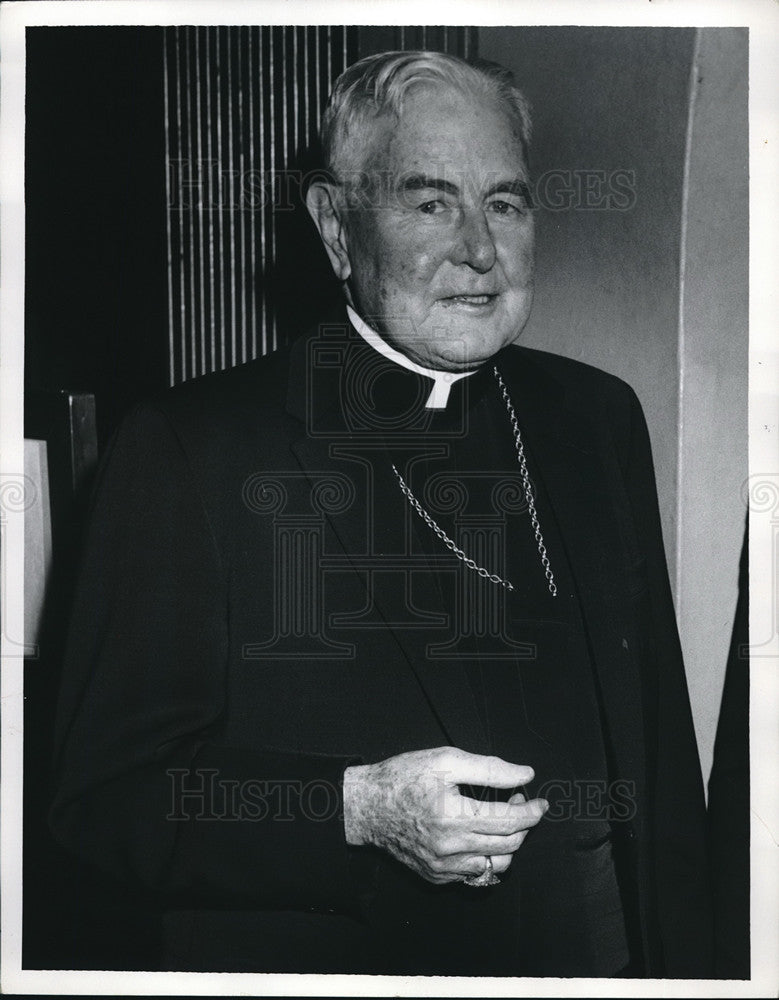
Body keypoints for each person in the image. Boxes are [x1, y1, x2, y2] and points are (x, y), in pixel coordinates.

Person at [50, 51, 713, 978]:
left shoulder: (596, 417)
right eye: (430, 201)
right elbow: (101, 801)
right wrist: (356, 809)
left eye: (507, 203)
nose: (480, 249)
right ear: (335, 228)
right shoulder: (190, 450)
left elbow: (662, 760)